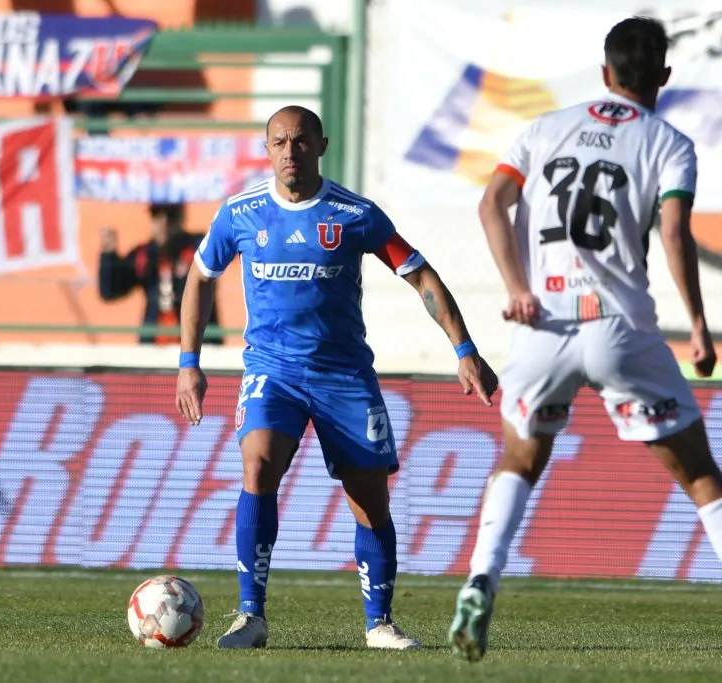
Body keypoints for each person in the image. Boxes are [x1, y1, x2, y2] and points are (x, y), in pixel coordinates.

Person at [448, 16, 722, 662]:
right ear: (663, 77)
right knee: (702, 476)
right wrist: (702, 325)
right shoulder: (669, 143)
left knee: (520, 458)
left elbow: (492, 204)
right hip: (620, 326)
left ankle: (481, 577)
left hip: (543, 324)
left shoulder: (543, 128)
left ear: (604, 72)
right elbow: (675, 234)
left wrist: (516, 286)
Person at [175, 105, 499, 650]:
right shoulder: (240, 214)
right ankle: (249, 615)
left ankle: (380, 623)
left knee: (369, 498)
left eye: (300, 142)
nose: (289, 153)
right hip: (272, 372)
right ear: (266, 148)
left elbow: (419, 273)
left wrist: (464, 347)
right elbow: (201, 277)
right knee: (257, 464)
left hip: (343, 377)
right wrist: (189, 363)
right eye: (279, 142)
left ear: (321, 145)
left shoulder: (355, 214)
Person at [100, 202, 223, 345]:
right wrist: (108, 256)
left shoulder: (199, 247)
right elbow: (110, 291)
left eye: (170, 216)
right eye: (156, 215)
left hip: (198, 347)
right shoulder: (144, 254)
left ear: (181, 217)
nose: (163, 222)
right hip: (154, 349)